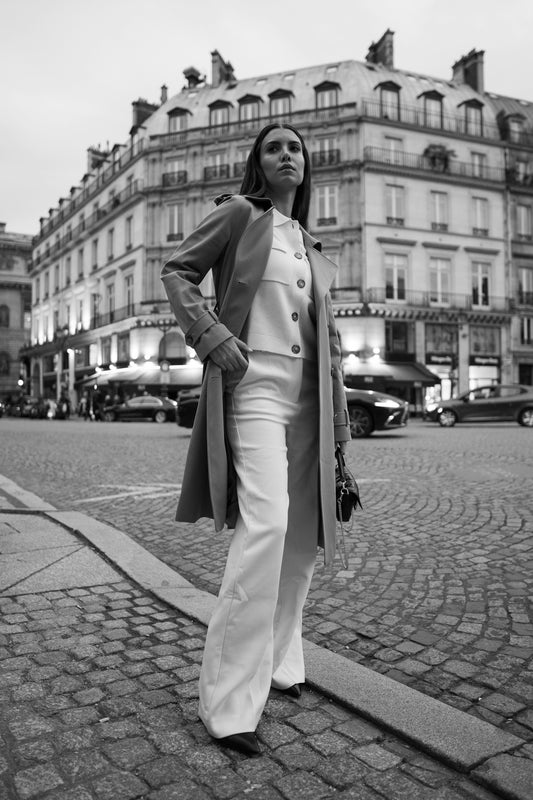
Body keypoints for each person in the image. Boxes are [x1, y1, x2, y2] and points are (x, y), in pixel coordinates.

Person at [161, 123, 351, 756]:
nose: (286, 155)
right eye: (274, 148)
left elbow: (330, 350)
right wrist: (213, 339)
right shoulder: (240, 215)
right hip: (256, 389)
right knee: (267, 527)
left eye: (294, 147)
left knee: (302, 542)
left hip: (310, 404)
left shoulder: (312, 246)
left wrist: (341, 431)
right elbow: (178, 273)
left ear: (307, 164)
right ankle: (228, 701)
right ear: (258, 164)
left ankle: (278, 657)